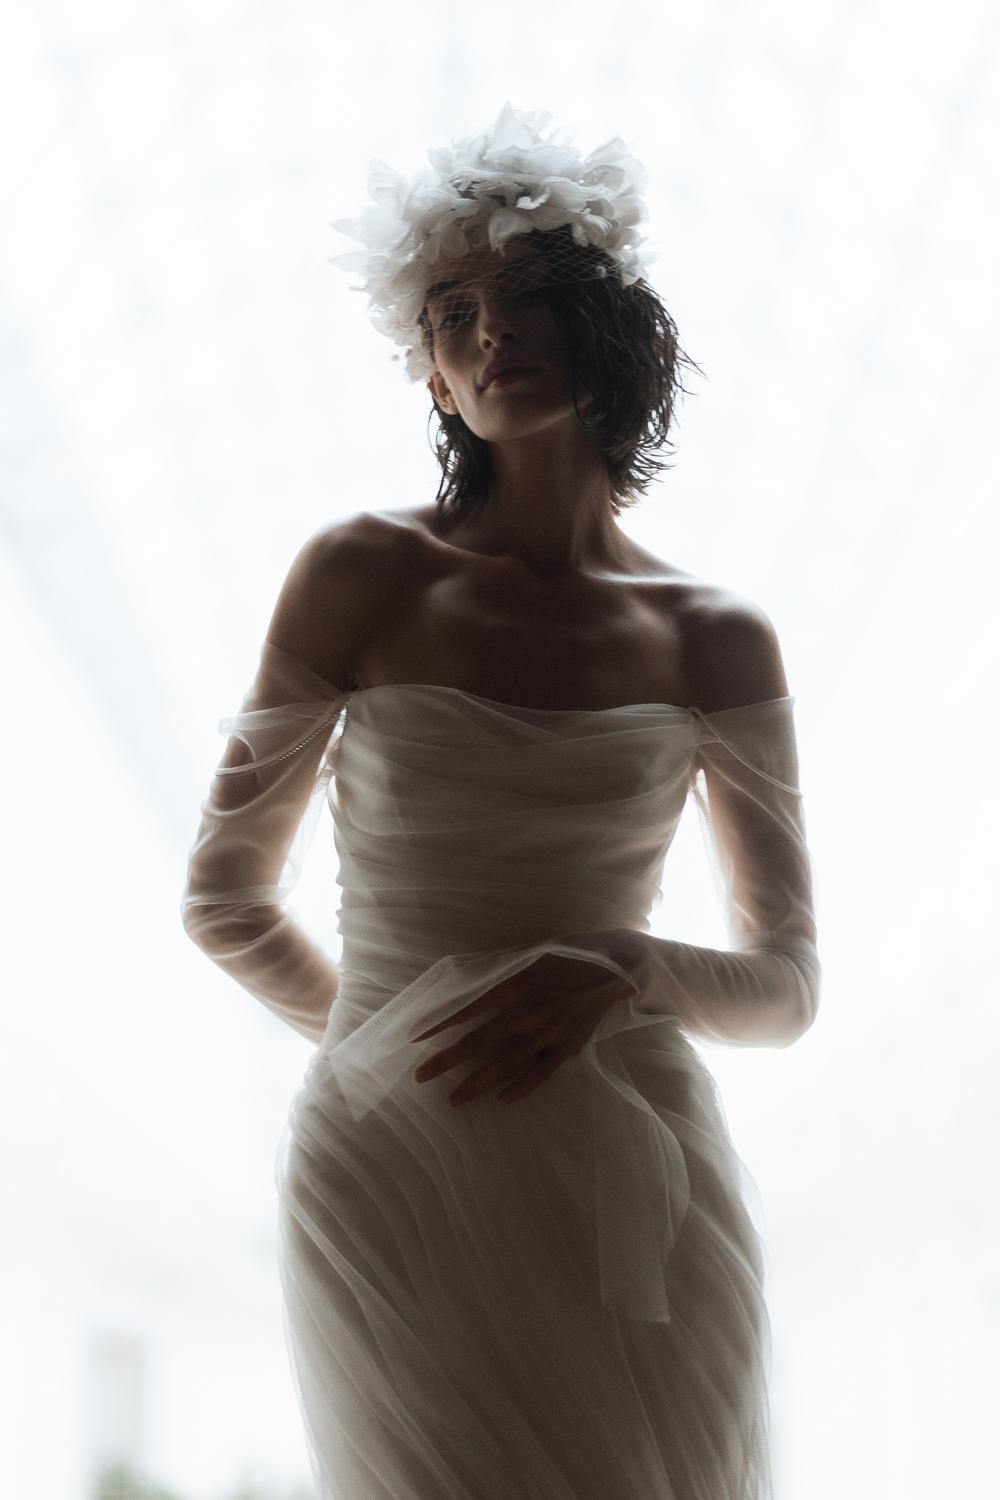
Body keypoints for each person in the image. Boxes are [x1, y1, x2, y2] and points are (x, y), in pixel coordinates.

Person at [181, 103, 821, 1500]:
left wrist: (627, 970)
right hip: (389, 1175)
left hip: (638, 1176)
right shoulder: (359, 575)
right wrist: (403, 1049)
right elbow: (222, 904)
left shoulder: (715, 636)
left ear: (613, 331)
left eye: (528, 296)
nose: (488, 331)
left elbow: (787, 987)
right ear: (429, 379)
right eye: (452, 312)